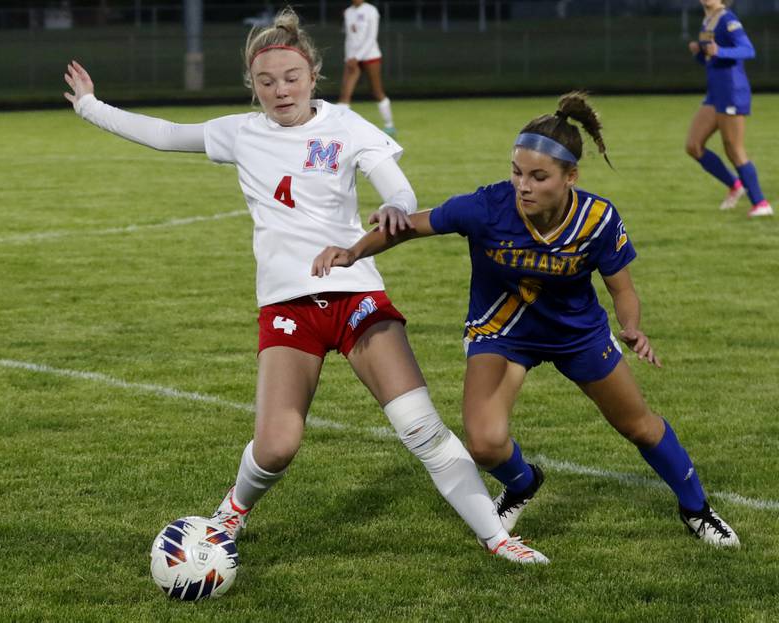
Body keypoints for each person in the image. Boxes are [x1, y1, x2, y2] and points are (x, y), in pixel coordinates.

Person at [63, 8, 547, 565]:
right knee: (276, 445)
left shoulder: (344, 124)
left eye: (291, 78)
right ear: (254, 87)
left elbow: (396, 187)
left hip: (355, 295)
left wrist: (395, 207)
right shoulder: (241, 133)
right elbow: (168, 135)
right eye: (266, 82)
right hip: (287, 306)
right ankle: (228, 517)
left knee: (421, 428)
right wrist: (90, 107)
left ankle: (498, 539)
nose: (280, 90)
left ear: (312, 75)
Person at [313, 92, 741, 549]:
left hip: (577, 334)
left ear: (570, 176)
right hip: (503, 333)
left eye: (539, 176)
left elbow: (623, 289)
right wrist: (353, 251)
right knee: (485, 443)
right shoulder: (488, 207)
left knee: (638, 426)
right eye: (517, 172)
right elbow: (410, 226)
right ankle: (522, 482)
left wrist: (632, 328)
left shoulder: (597, 218)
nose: (524, 185)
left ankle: (696, 508)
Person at [686, 0, 772, 217]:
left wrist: (719, 50)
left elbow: (747, 50)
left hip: (732, 92)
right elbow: (711, 60)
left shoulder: (728, 19)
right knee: (693, 145)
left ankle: (761, 203)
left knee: (734, 149)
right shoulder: (708, 20)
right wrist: (699, 53)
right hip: (716, 94)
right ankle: (735, 185)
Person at [338, 0, 395, 135]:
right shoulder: (348, 12)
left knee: (377, 91)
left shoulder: (371, 10)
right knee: (345, 94)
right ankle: (339, 131)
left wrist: (358, 56)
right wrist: (349, 58)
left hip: (370, 56)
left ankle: (389, 126)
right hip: (352, 59)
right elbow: (349, 38)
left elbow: (371, 38)